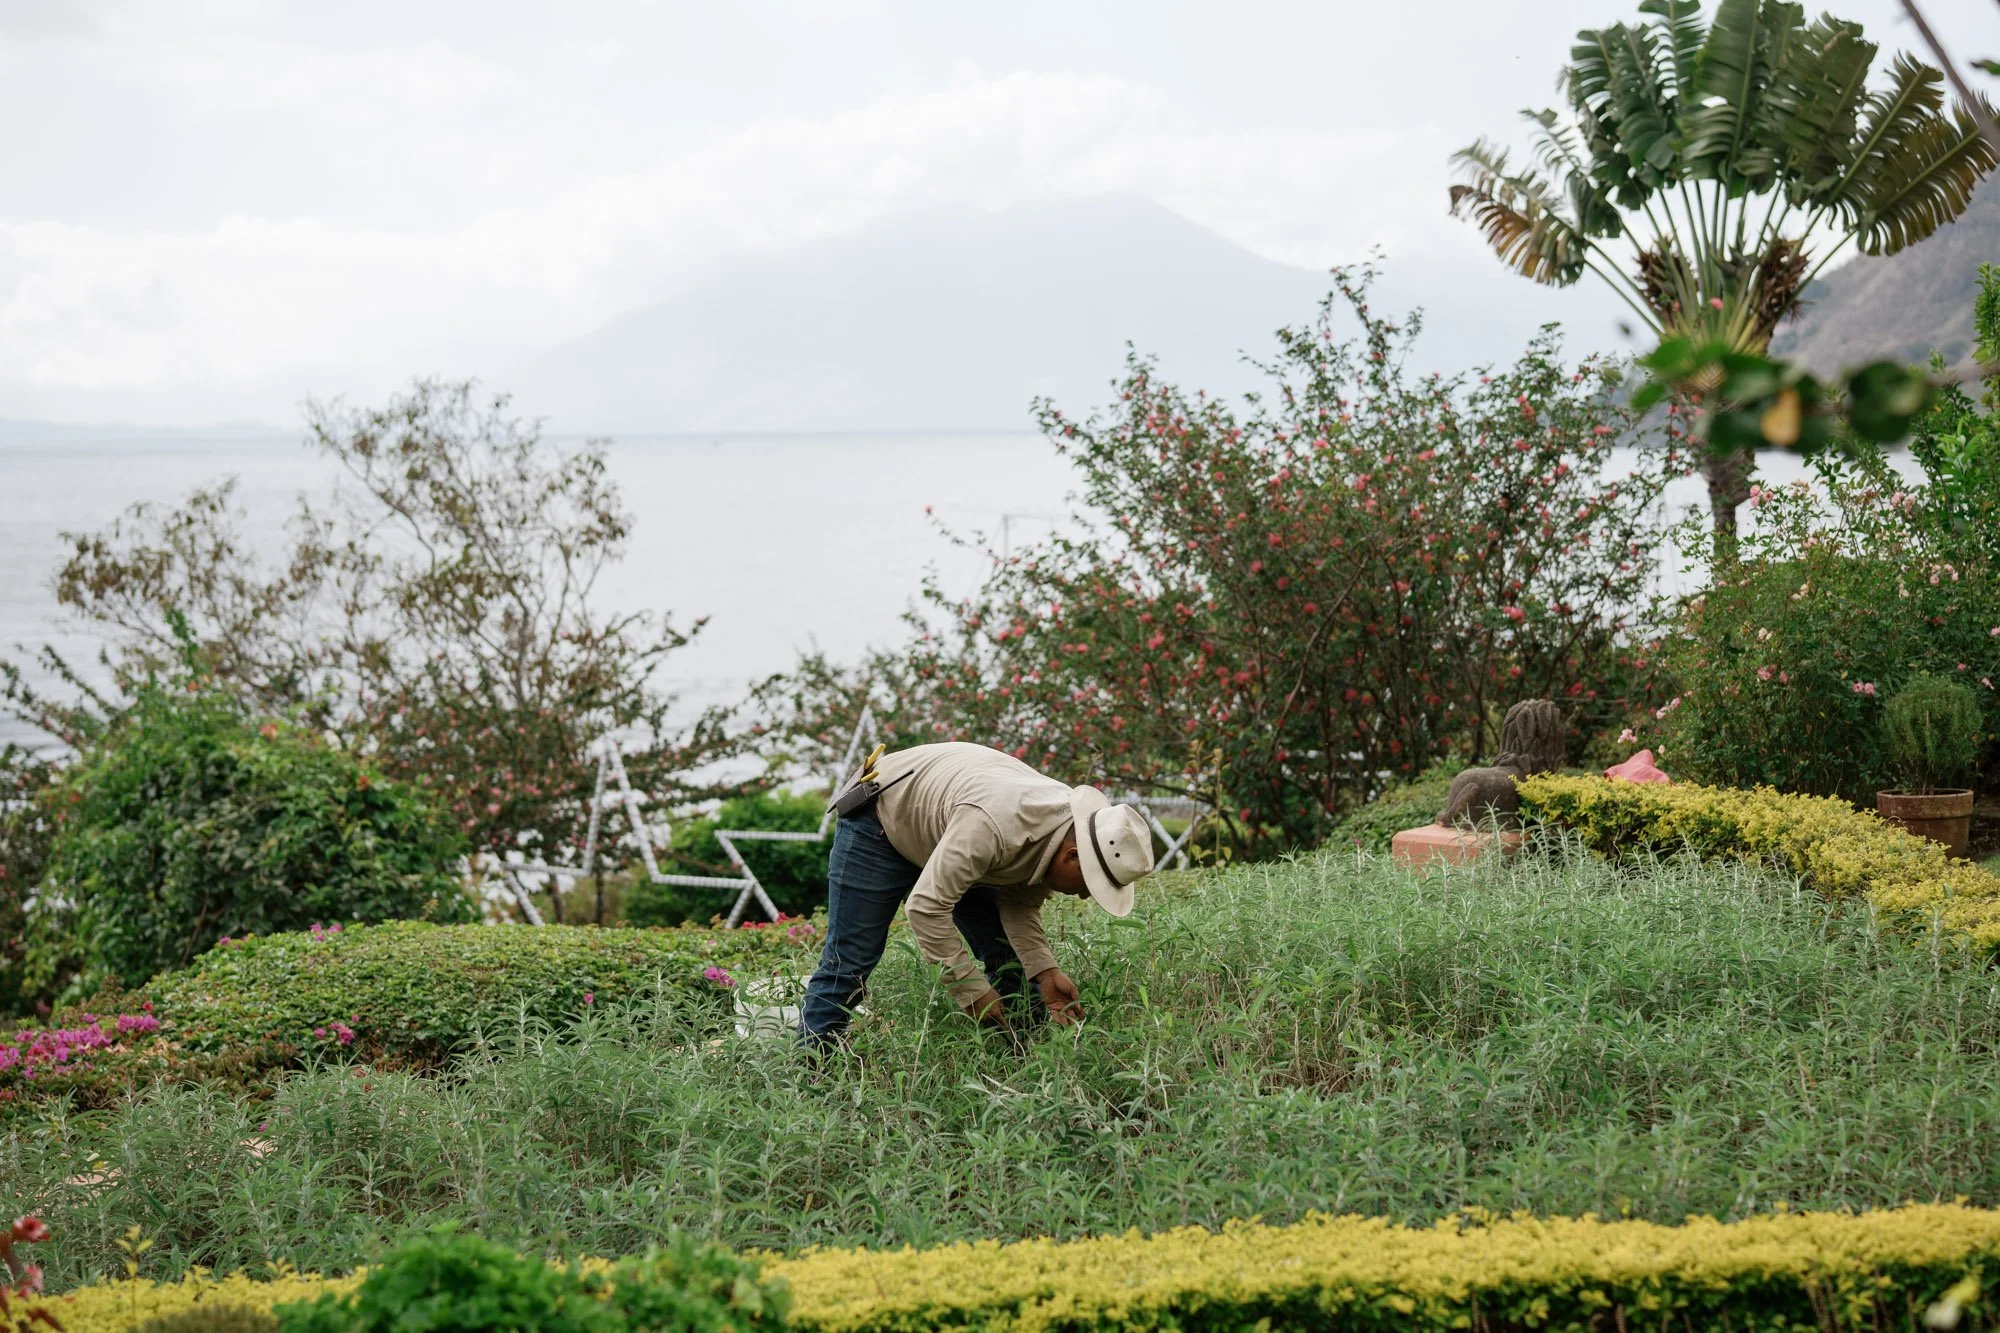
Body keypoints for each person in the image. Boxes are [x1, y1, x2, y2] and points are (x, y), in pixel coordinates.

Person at [798, 741, 1156, 1048]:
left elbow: (1018, 904)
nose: (1084, 897)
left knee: (1009, 959)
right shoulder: (994, 826)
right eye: (1090, 884)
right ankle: (811, 1072)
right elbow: (926, 909)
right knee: (850, 960)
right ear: (1072, 856)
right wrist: (972, 991)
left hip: (950, 829)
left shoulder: (1067, 831)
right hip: (881, 816)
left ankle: (1017, 1062)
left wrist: (1046, 973)